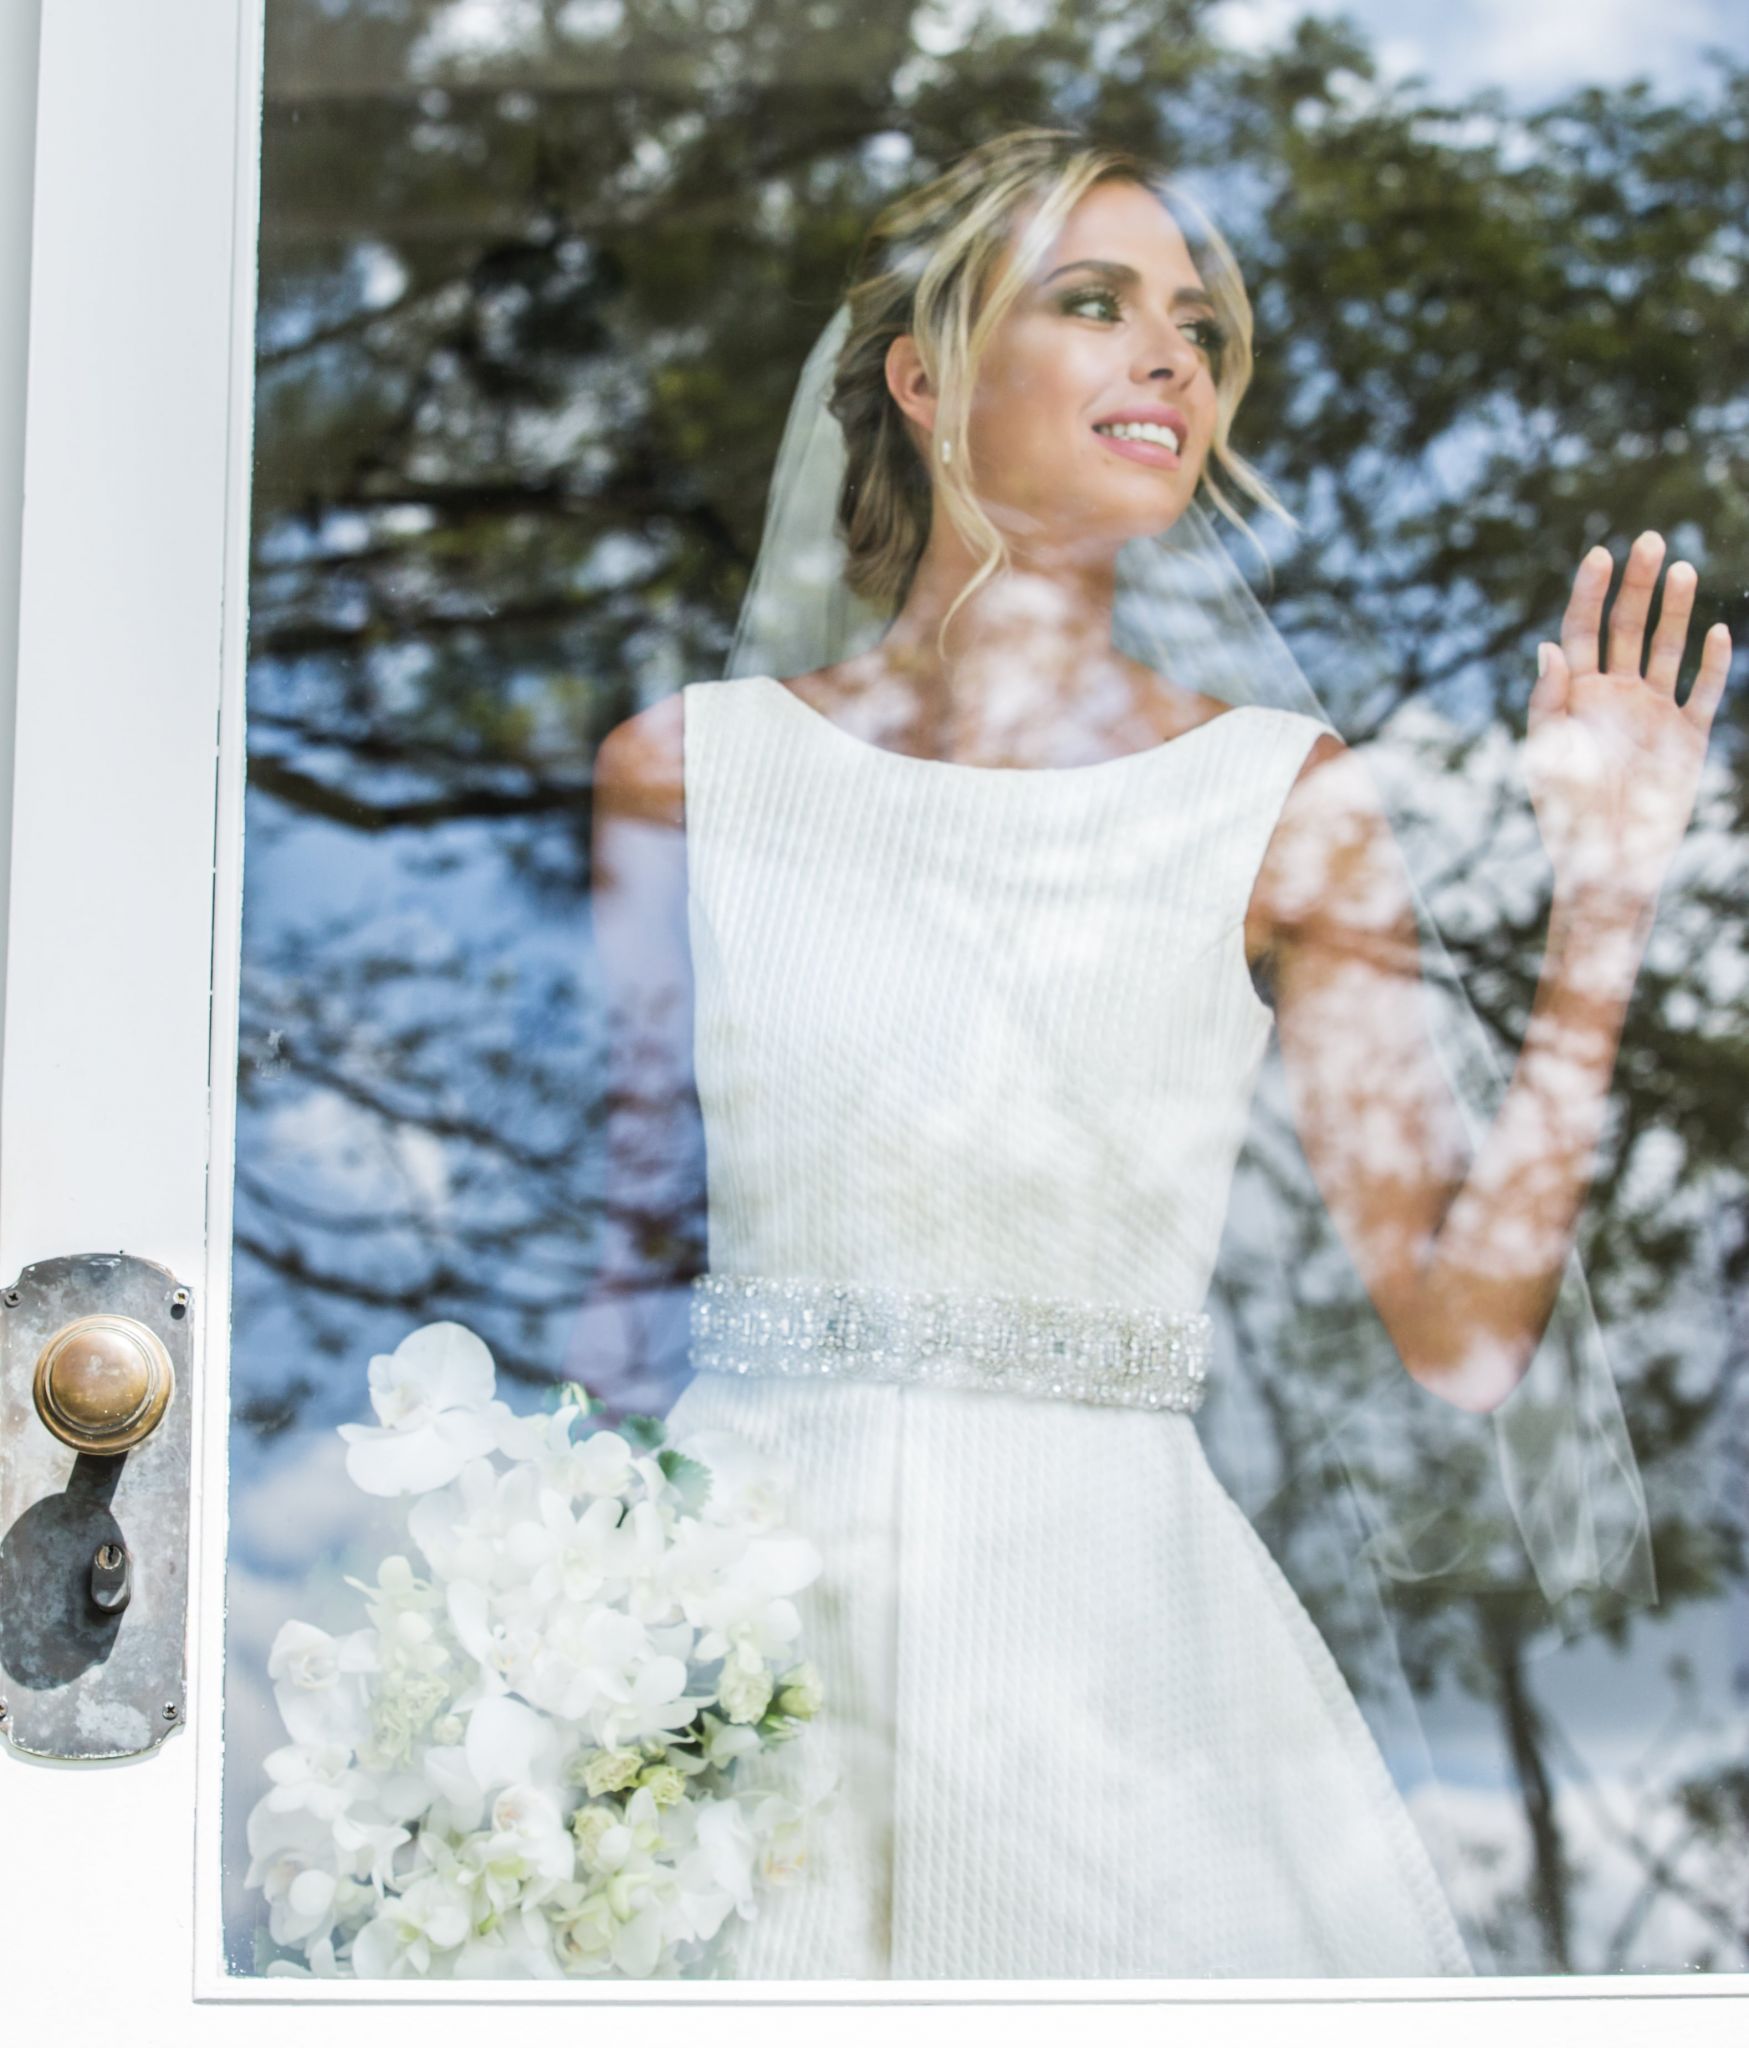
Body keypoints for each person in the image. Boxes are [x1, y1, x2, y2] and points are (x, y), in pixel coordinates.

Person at [586, 128, 1730, 1979]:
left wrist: (1600, 906)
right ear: (923, 375)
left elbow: (1459, 1336)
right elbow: (612, 1282)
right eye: (1094, 302)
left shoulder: (1281, 805)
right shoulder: (683, 773)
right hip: (743, 1606)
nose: (1169, 358)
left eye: (1195, 327)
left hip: (1108, 1651)